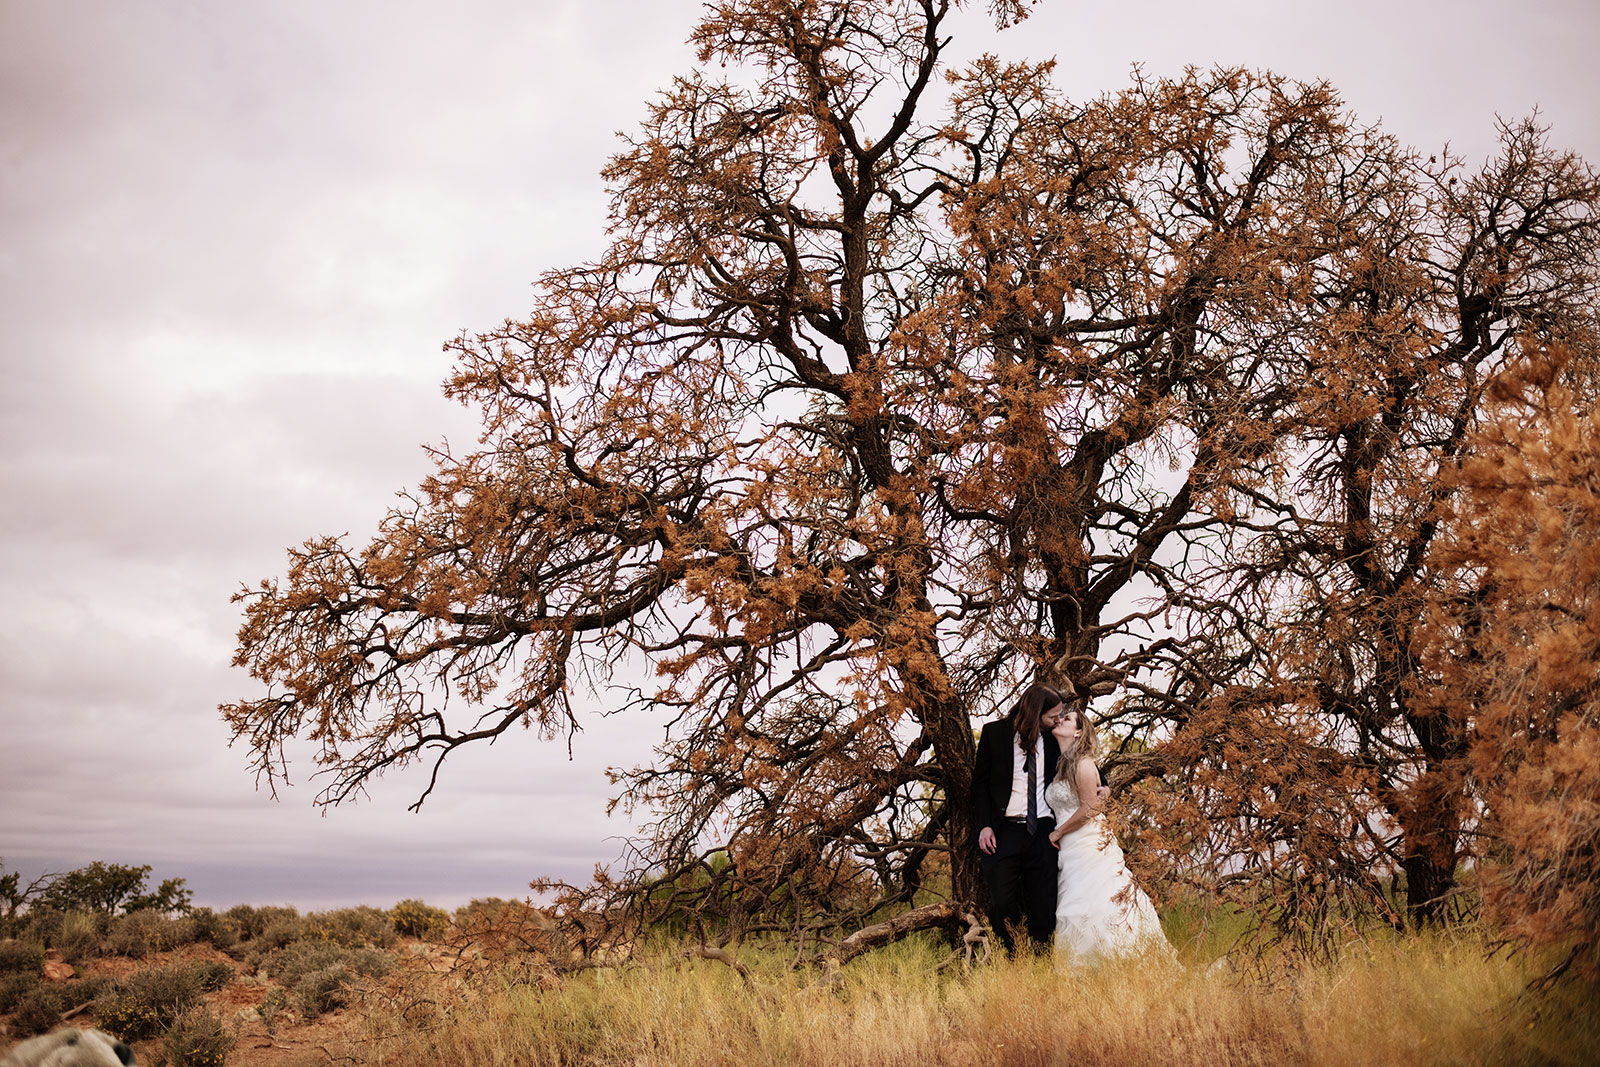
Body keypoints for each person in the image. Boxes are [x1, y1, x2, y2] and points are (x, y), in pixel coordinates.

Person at [972, 683, 1108, 952]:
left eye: (1060, 716)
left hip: (1044, 832)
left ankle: (1043, 958)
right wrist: (984, 825)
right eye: (1052, 716)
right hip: (1004, 831)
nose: (1057, 720)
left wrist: (1106, 786)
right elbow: (979, 784)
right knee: (1002, 903)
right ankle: (1011, 958)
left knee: (1044, 903)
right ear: (1035, 712)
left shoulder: (1054, 739)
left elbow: (1090, 771)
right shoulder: (994, 733)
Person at [1045, 708, 1170, 963]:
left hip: (1088, 843)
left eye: (1066, 719)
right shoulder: (1060, 764)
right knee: (1074, 903)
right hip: (1070, 849)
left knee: (1097, 900)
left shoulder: (1083, 763)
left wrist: (1059, 831)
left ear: (1078, 731)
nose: (1059, 720)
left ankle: (1116, 957)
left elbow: (1090, 808)